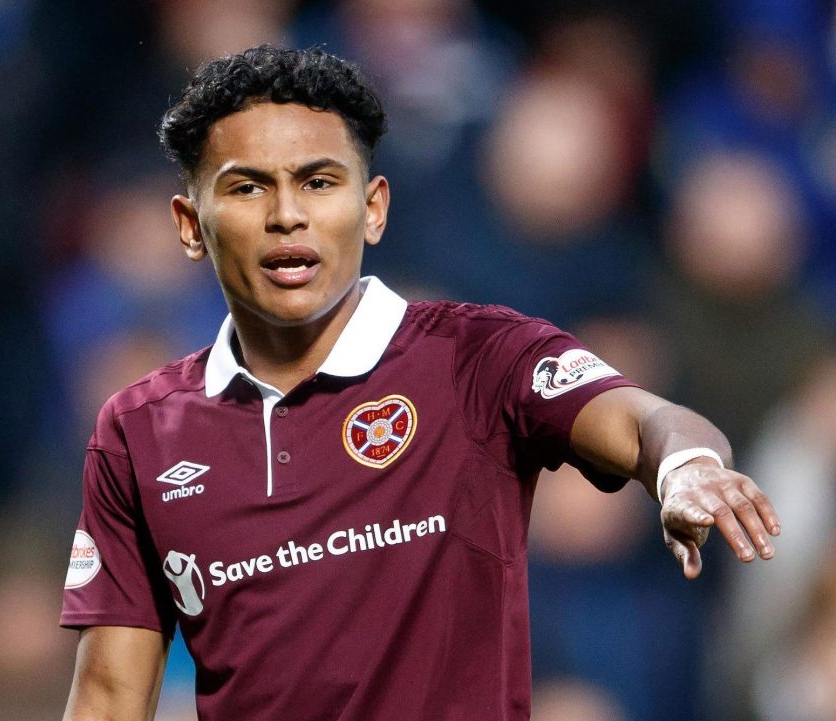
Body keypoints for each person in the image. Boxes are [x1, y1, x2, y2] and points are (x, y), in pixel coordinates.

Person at [59, 45, 780, 721]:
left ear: (373, 208)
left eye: (319, 182)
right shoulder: (138, 433)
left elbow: (642, 418)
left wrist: (685, 466)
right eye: (248, 187)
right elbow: (108, 699)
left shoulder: (478, 359)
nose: (287, 215)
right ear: (191, 225)